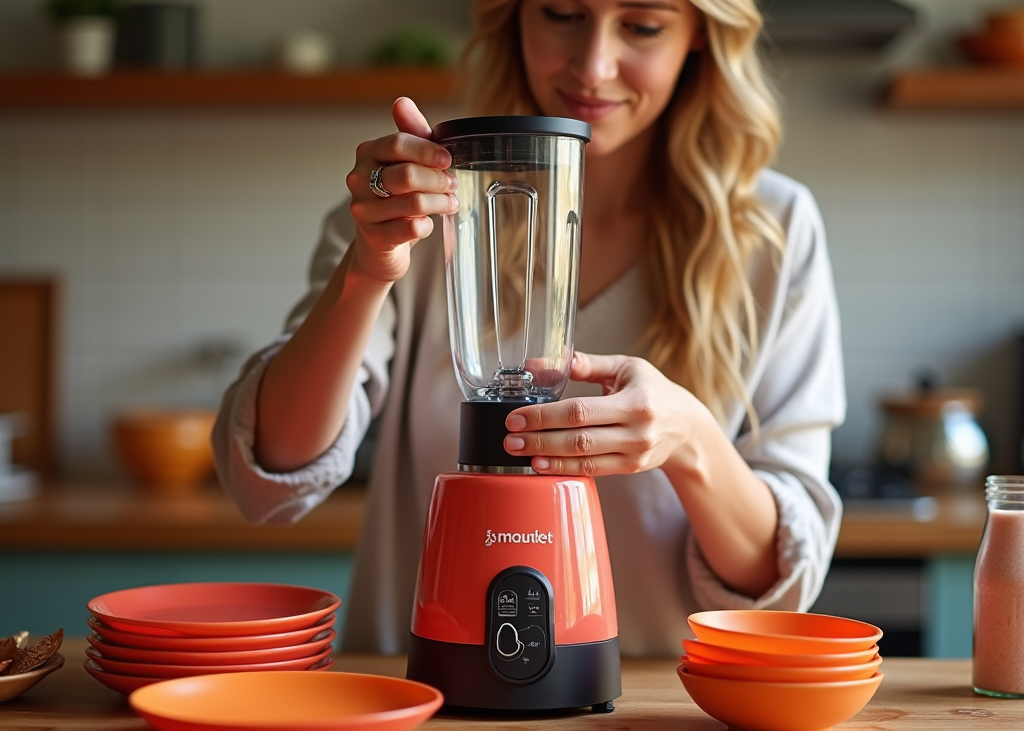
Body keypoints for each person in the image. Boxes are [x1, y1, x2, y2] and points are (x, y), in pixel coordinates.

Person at [213, 0, 845, 656]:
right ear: (511, 18)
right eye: (562, 13)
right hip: (423, 716)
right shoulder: (415, 213)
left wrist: (690, 441)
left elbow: (781, 581)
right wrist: (368, 271)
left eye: (643, 25)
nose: (594, 66)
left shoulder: (773, 232)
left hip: (658, 729)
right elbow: (267, 480)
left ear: (700, 38)